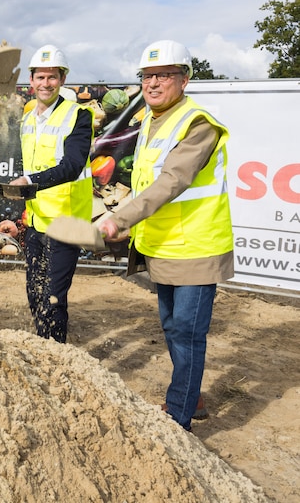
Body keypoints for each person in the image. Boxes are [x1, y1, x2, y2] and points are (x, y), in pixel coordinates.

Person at [97, 39, 233, 431]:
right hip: (163, 244)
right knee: (173, 328)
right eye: (147, 76)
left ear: (184, 79)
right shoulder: (151, 122)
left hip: (197, 247)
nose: (153, 83)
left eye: (164, 75)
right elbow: (144, 183)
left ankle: (178, 417)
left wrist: (121, 219)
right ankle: (192, 395)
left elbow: (172, 181)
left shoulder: (198, 125)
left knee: (187, 333)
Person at [8, 45, 94, 343]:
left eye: (52, 77)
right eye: (40, 77)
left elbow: (72, 166)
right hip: (36, 221)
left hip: (67, 222)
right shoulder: (28, 119)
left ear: (63, 79)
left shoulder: (78, 116)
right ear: (31, 80)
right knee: (35, 293)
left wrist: (29, 181)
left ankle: (55, 353)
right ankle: (43, 346)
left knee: (53, 297)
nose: (46, 83)